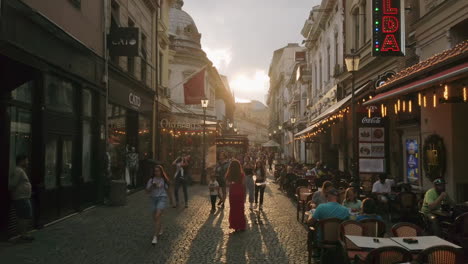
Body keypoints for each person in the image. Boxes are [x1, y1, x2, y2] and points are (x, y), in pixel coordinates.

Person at [307, 188, 350, 258]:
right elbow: (347, 225)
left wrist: (310, 215)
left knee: (311, 230)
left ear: (327, 197)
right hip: (338, 240)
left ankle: (315, 251)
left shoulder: (321, 207)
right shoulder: (345, 210)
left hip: (322, 239)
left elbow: (310, 222)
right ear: (338, 198)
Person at [9, 155, 34, 241]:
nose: (28, 162)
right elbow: (12, 184)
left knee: (24, 216)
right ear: (21, 161)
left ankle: (24, 234)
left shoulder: (20, 170)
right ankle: (24, 235)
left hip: (23, 197)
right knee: (24, 216)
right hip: (21, 198)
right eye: (26, 161)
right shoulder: (18, 171)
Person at [226, 159, 246, 232]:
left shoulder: (230, 173)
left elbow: (227, 183)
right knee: (240, 209)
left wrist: (232, 183)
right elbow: (243, 184)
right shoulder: (242, 174)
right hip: (240, 192)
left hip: (232, 192)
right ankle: (241, 226)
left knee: (233, 209)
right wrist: (244, 196)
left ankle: (235, 226)